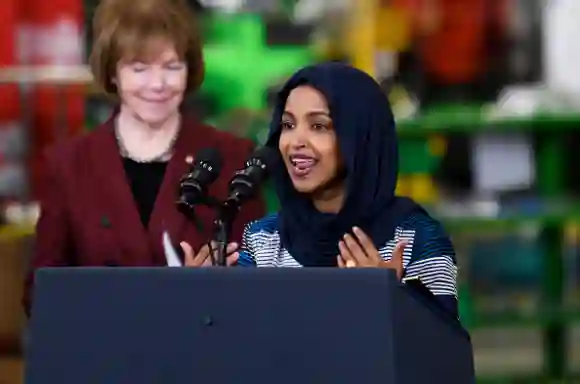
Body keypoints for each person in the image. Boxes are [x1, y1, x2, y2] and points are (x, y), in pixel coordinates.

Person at [22, 0, 265, 316]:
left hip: (202, 354)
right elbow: (41, 294)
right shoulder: (68, 165)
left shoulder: (231, 157)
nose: (158, 84)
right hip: (105, 354)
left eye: (172, 66)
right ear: (112, 73)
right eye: (139, 68)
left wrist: (208, 288)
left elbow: (261, 284)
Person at [183, 62, 459, 317]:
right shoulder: (264, 241)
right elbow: (240, 347)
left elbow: (443, 354)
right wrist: (200, 303)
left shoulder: (415, 238)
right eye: (288, 125)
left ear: (360, 137)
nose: (295, 142)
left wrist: (390, 300)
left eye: (318, 126)